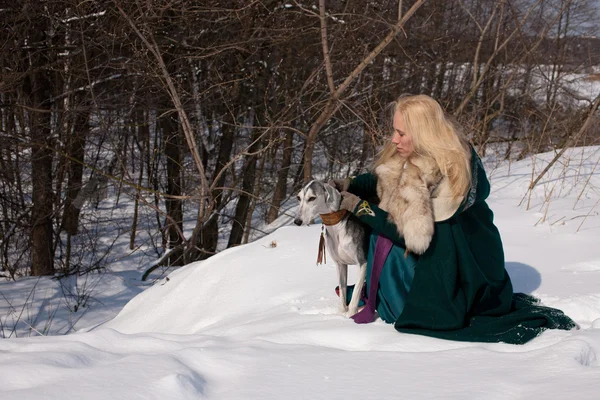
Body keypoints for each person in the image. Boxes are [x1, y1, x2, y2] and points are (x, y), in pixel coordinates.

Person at [330, 94, 576, 344]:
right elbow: (386, 177)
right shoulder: (417, 153)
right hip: (447, 258)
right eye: (395, 131)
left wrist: (360, 207)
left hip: (458, 272)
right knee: (381, 236)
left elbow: (408, 235)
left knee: (385, 242)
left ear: (423, 133)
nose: (394, 139)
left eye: (401, 133)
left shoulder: (445, 176)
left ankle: (400, 300)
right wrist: (351, 184)